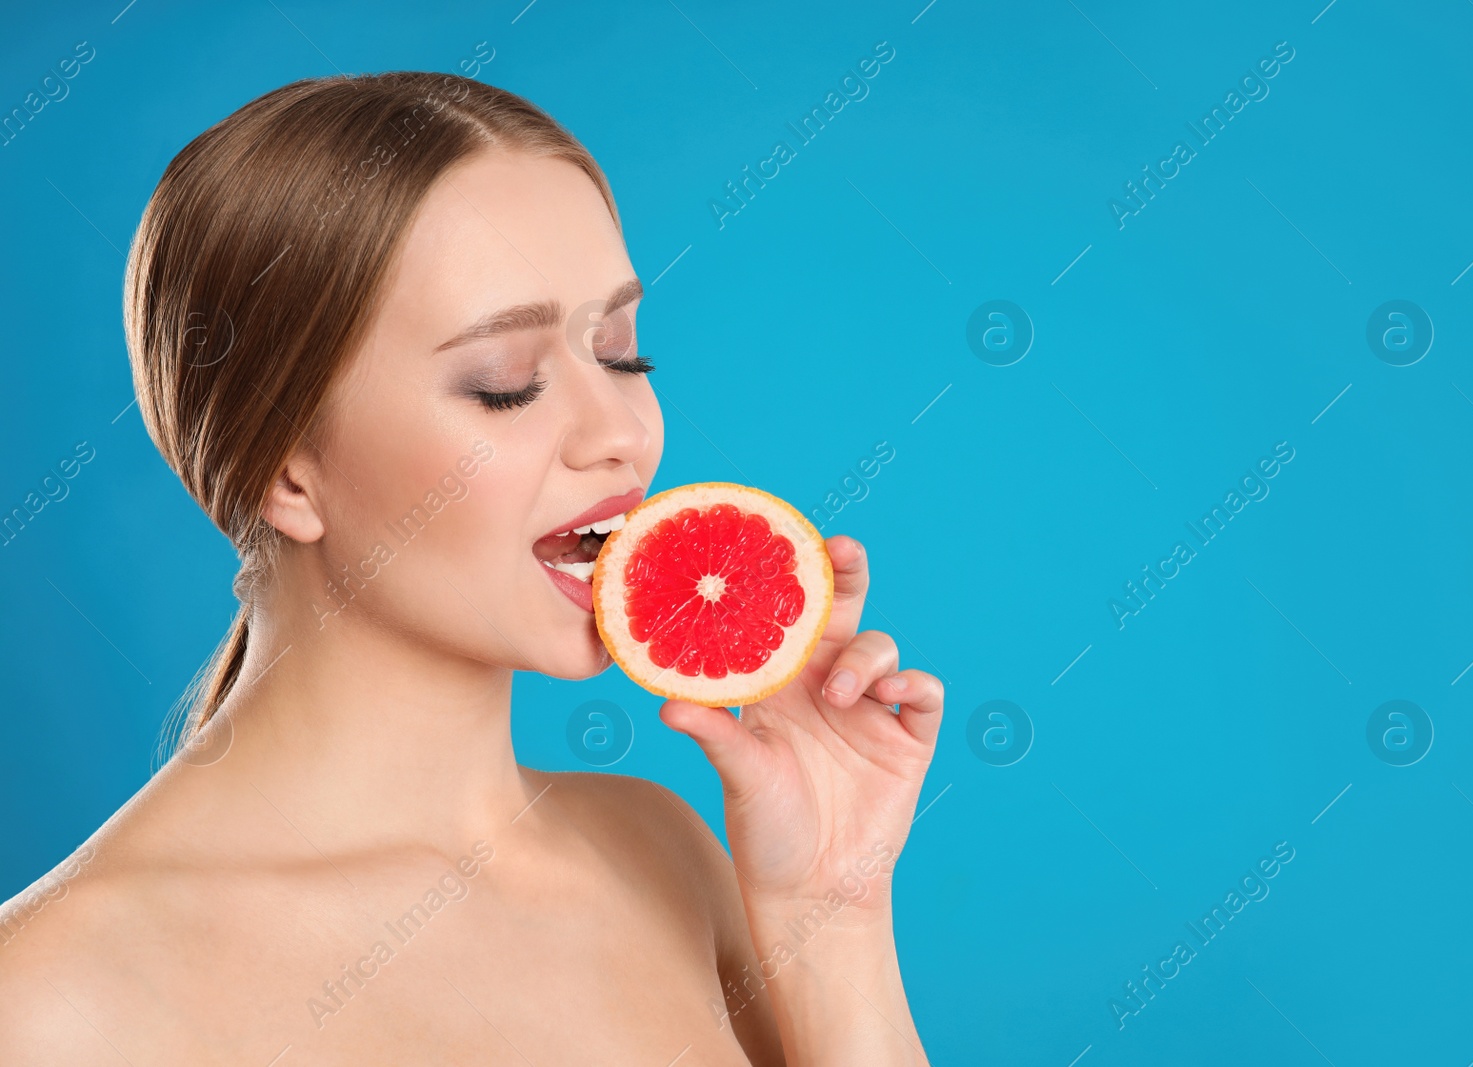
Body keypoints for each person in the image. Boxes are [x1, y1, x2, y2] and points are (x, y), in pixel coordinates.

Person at [0, 71, 943, 1064]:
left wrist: (833, 913)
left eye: (621, 354)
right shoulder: (51, 1001)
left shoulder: (661, 850)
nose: (621, 431)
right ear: (289, 473)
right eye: (507, 385)